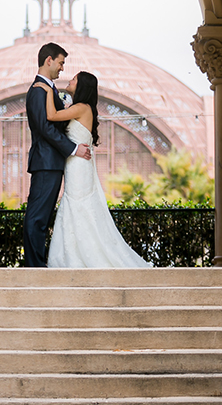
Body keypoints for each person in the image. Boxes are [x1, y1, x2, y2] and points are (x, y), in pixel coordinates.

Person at [41, 70, 152, 268]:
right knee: (77, 205)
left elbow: (51, 115)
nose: (70, 79)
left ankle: (79, 257)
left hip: (78, 166)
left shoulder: (82, 108)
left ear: (81, 86)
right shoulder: (82, 108)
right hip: (78, 163)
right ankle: (76, 255)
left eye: (74, 79)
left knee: (78, 204)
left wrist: (49, 89)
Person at [22, 42, 91, 267]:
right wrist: (73, 148)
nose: (62, 68)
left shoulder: (49, 89)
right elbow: (44, 127)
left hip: (52, 162)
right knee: (37, 217)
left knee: (42, 217)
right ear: (48, 60)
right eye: (61, 62)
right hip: (46, 162)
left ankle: (38, 264)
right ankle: (34, 267)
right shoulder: (38, 90)